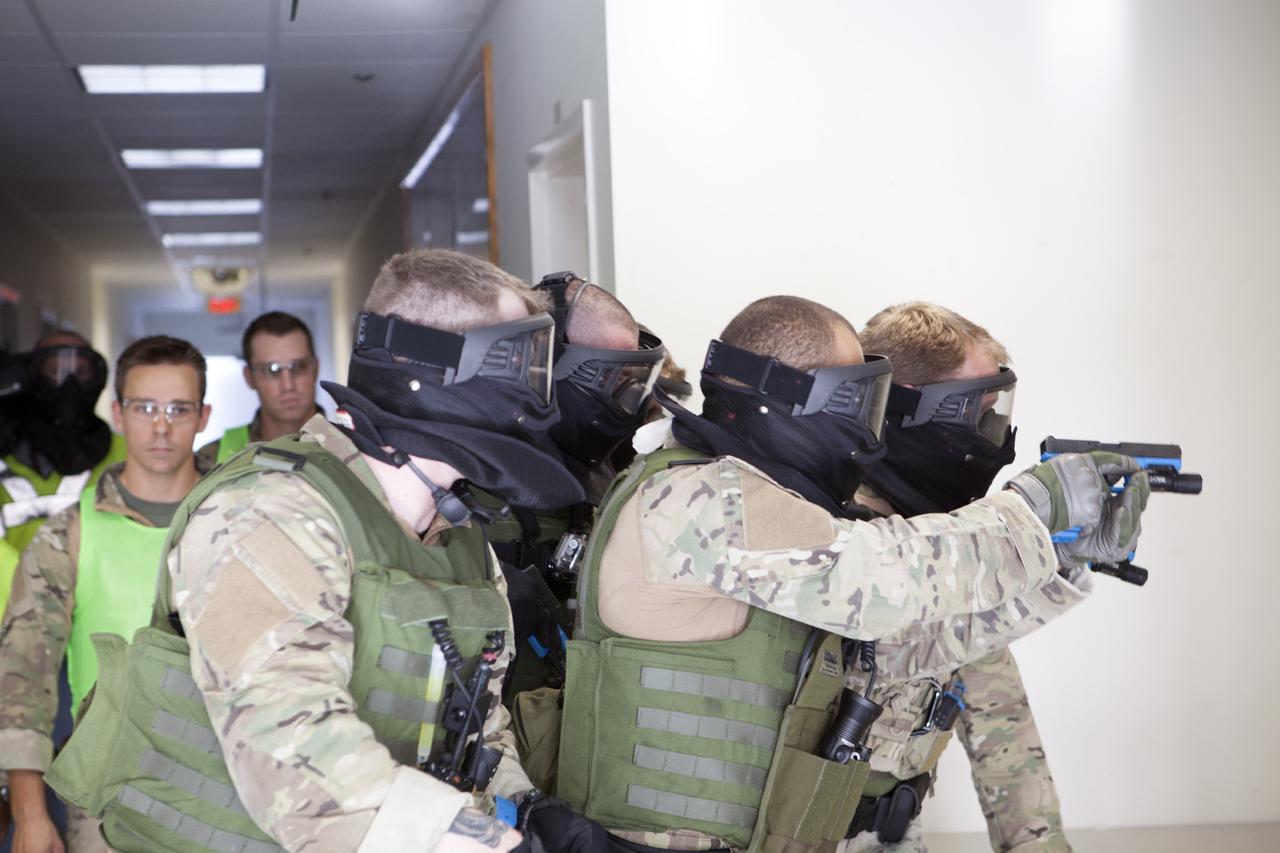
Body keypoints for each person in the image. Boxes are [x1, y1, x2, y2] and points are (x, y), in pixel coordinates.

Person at [47, 249, 603, 853]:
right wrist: (489, 845)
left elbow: (476, 723)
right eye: (517, 362)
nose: (535, 391)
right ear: (435, 371)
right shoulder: (268, 511)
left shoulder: (462, 537)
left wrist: (523, 808)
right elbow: (298, 758)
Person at [553, 295, 1149, 851]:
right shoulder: (702, 495)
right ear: (794, 395)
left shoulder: (757, 498)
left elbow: (887, 654)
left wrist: (1058, 557)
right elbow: (880, 582)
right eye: (854, 397)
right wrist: (1029, 513)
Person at [839, 302, 1082, 852]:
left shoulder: (954, 542)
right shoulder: (828, 538)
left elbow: (1004, 732)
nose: (988, 434)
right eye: (974, 413)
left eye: (995, 412)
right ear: (905, 404)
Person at [0, 335, 213, 853]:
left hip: (232, 793)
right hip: (107, 804)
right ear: (118, 413)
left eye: (177, 409)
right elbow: (23, 679)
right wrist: (29, 813)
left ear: (203, 417)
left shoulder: (242, 518)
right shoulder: (69, 534)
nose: (160, 426)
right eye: (144, 408)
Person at [487, 272, 665, 705]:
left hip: (574, 711)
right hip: (494, 716)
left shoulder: (623, 466)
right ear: (546, 363)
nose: (628, 400)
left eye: (635, 379)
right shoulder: (467, 466)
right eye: (610, 378)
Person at [0, 331, 126, 557]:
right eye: (54, 370)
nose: (69, 382)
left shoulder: (127, 453)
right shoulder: (5, 454)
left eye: (81, 372)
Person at [197, 311, 321, 467]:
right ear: (249, 377)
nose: (288, 385)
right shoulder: (211, 460)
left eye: (299, 367)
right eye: (271, 370)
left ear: (316, 369)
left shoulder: (353, 450)